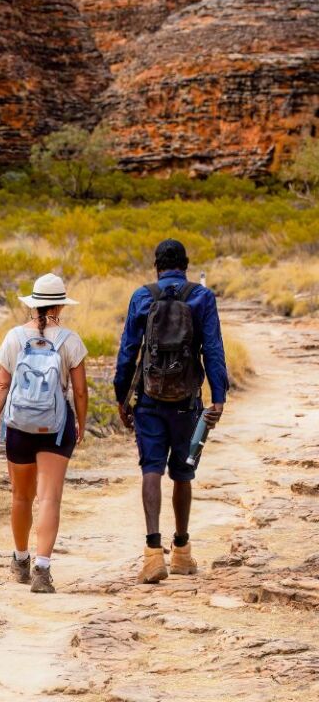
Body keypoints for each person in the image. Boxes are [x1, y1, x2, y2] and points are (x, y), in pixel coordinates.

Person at [114, 239, 228, 582]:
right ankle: (181, 552)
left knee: (151, 469)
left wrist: (122, 397)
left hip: (149, 400)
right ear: (186, 265)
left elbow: (128, 351)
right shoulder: (201, 297)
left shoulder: (142, 296)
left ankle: (153, 554)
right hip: (187, 401)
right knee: (183, 473)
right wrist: (218, 397)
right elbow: (213, 348)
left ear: (157, 266)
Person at [0, 273, 88, 594]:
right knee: (49, 497)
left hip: (19, 427)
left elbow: (2, 386)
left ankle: (20, 561)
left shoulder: (14, 337)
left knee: (21, 497)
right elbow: (80, 391)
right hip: (56, 428)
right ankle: (43, 569)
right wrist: (81, 423)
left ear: (33, 304)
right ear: (60, 306)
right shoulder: (70, 340)